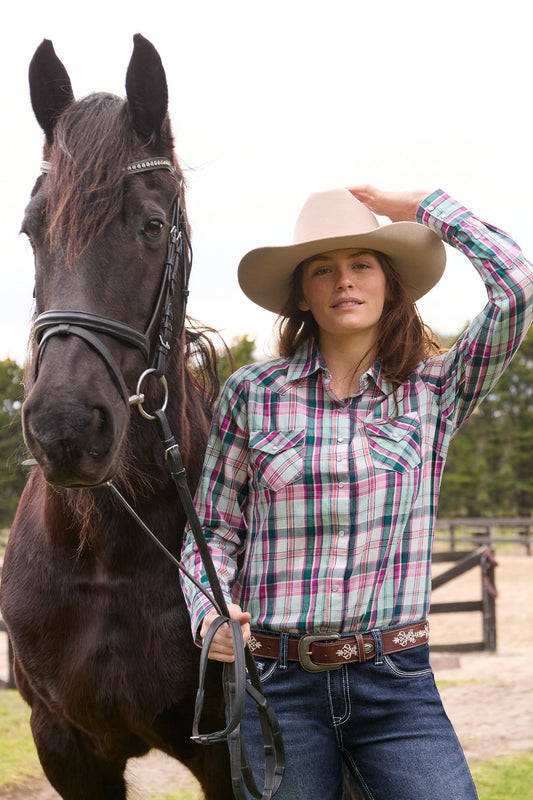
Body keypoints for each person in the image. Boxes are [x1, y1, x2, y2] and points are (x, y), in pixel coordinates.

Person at [180, 185, 533, 800]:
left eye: (362, 264)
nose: (344, 281)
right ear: (301, 293)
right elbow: (212, 530)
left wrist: (423, 206)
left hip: (396, 686)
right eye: (323, 269)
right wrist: (206, 611)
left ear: (391, 284)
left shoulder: (435, 390)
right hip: (279, 684)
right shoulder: (251, 392)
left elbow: (518, 287)